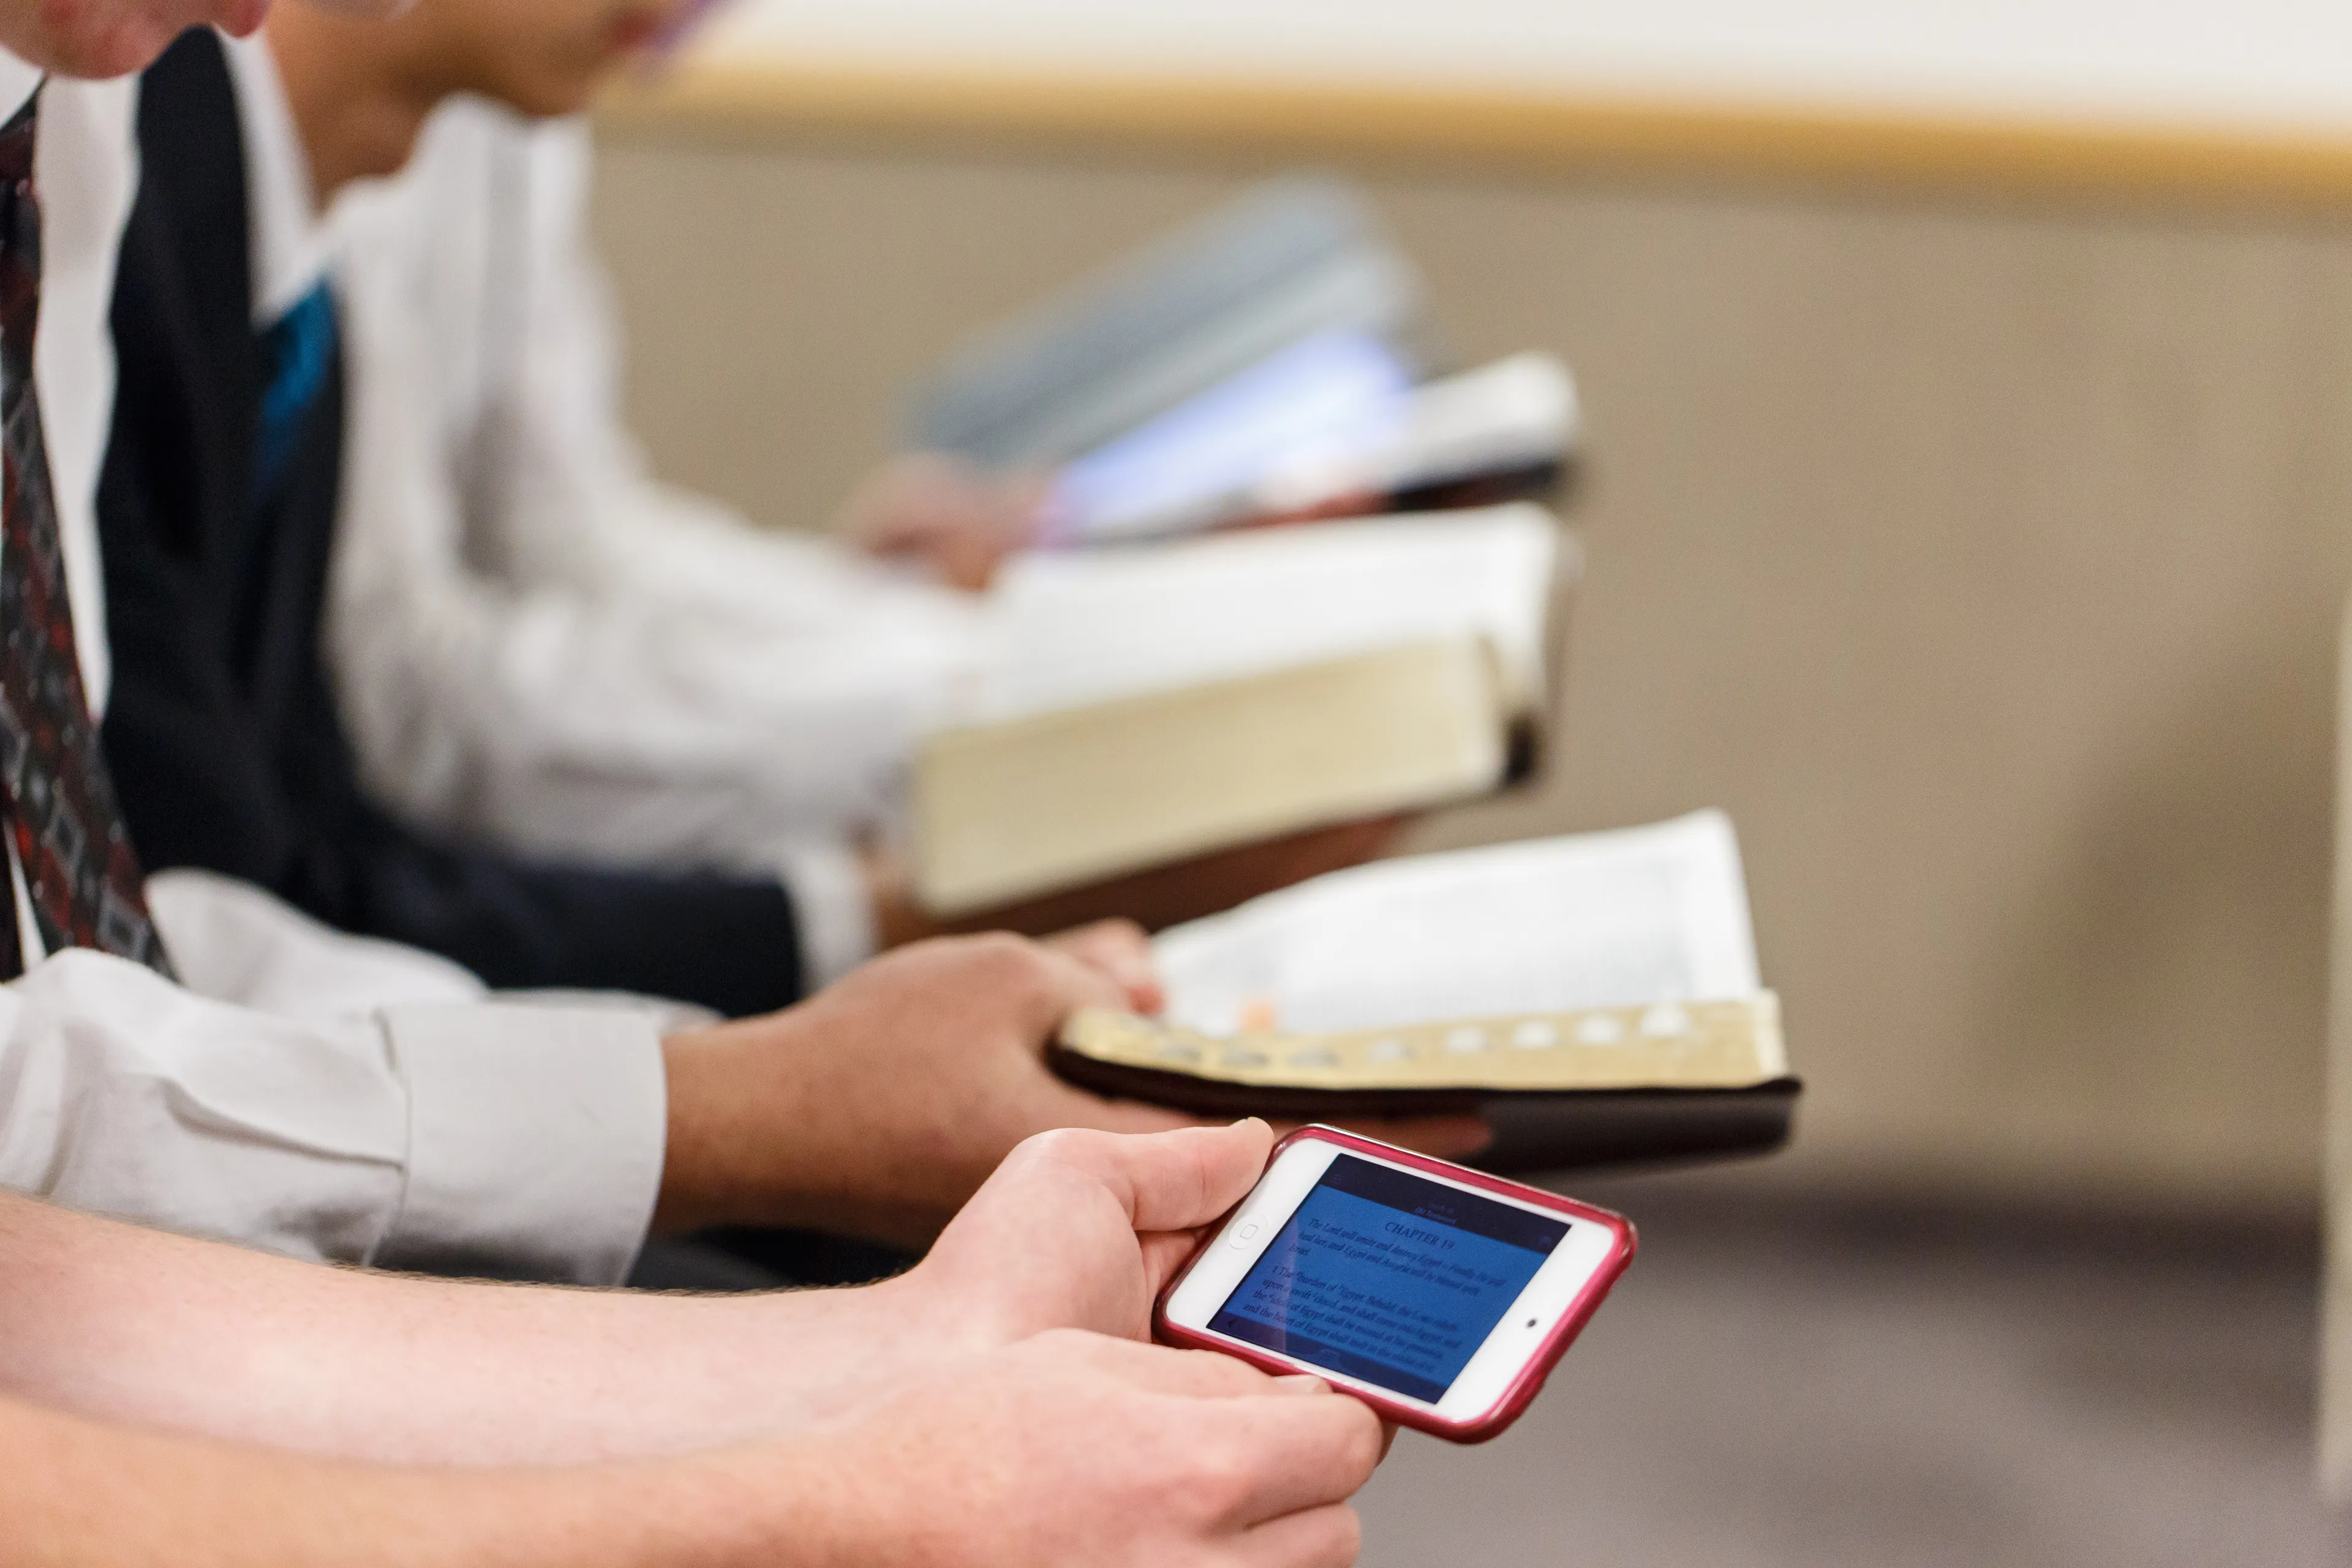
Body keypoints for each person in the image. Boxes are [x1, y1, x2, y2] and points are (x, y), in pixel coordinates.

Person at [2, 0, 1482, 1280]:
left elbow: (146, 931)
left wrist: (732, 1075)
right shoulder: (139, 121)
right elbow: (402, 742)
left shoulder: (113, 133)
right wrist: (782, 1038)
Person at [282, 0, 1405, 950]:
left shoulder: (514, 109)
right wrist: (987, 700)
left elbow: (567, 544)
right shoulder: (306, 94)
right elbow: (412, 705)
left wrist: (914, 619)